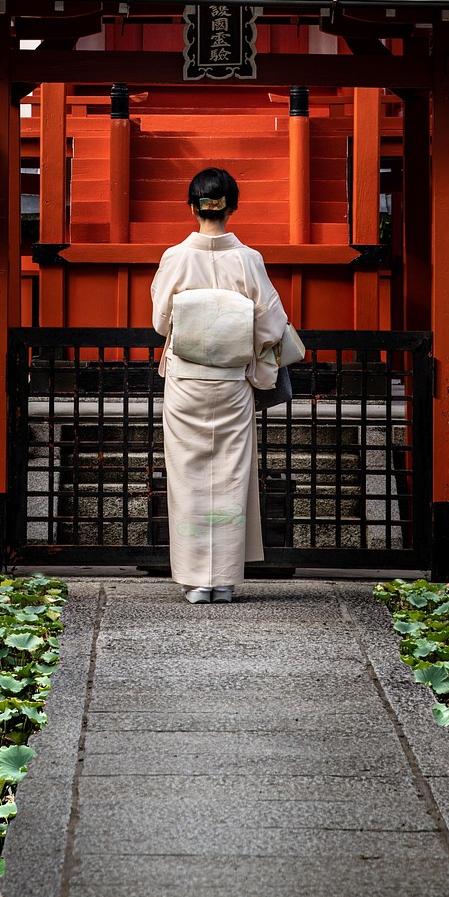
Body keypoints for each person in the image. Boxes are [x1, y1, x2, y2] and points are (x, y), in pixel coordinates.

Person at [150, 168, 289, 604]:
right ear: (232, 205)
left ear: (193, 206)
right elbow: (270, 326)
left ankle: (195, 581)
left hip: (187, 381)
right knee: (231, 473)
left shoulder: (175, 256)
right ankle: (224, 580)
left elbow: (159, 323)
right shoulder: (249, 259)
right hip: (230, 381)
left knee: (188, 474)